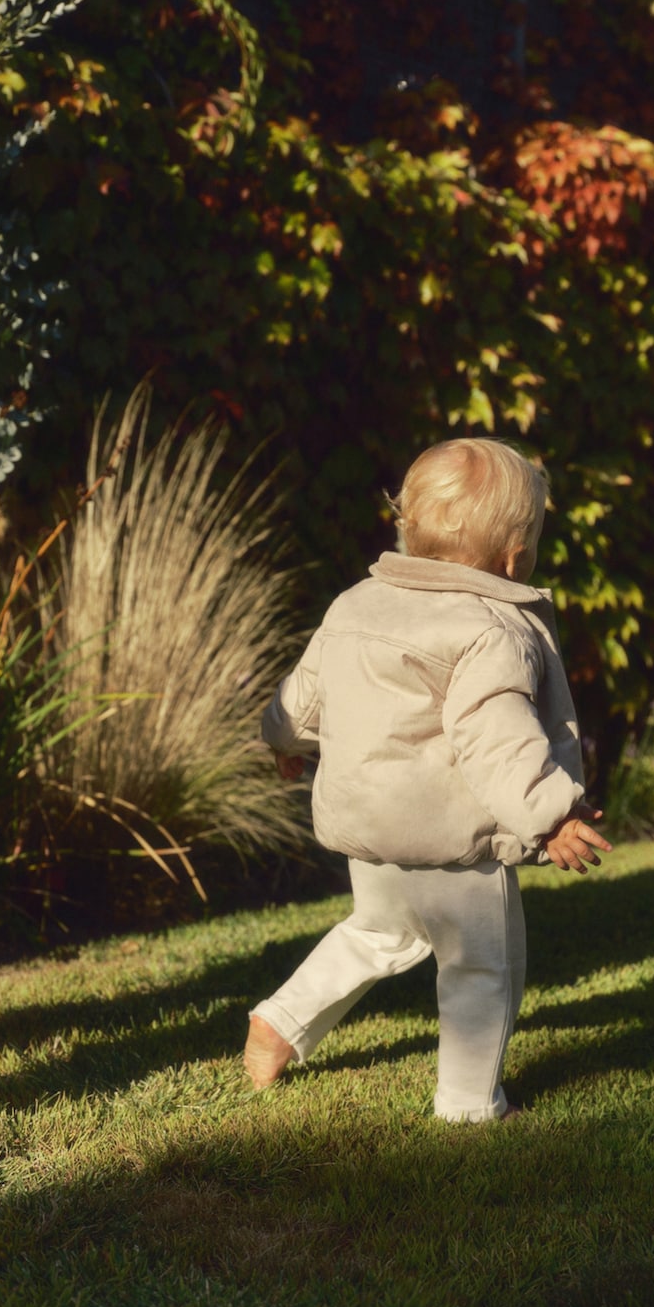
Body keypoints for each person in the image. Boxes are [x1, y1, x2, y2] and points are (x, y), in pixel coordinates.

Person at [244, 437, 612, 1122]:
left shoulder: (356, 603)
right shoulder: (488, 626)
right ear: (515, 556)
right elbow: (494, 735)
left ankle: (280, 1022)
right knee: (481, 966)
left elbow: (305, 691)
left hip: (370, 834)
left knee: (379, 933)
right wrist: (552, 814)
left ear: (405, 525)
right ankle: (470, 1106)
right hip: (453, 843)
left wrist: (285, 739)